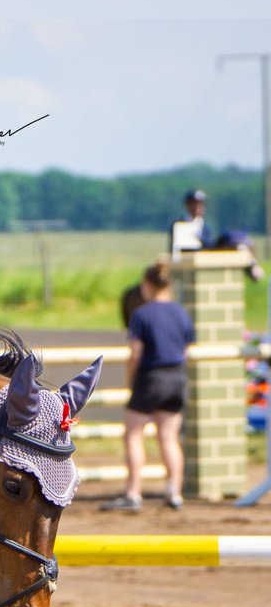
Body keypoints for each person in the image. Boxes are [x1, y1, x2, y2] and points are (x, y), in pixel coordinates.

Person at [101, 261, 195, 512]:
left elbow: (135, 353)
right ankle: (174, 492)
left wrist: (131, 381)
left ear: (147, 285)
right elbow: (186, 350)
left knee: (133, 434)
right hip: (176, 377)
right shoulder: (181, 313)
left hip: (150, 377)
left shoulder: (141, 315)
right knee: (169, 438)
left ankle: (133, 492)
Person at [168, 188, 214, 254]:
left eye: (200, 203)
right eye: (194, 203)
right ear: (187, 205)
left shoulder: (206, 228)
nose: (197, 206)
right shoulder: (178, 225)